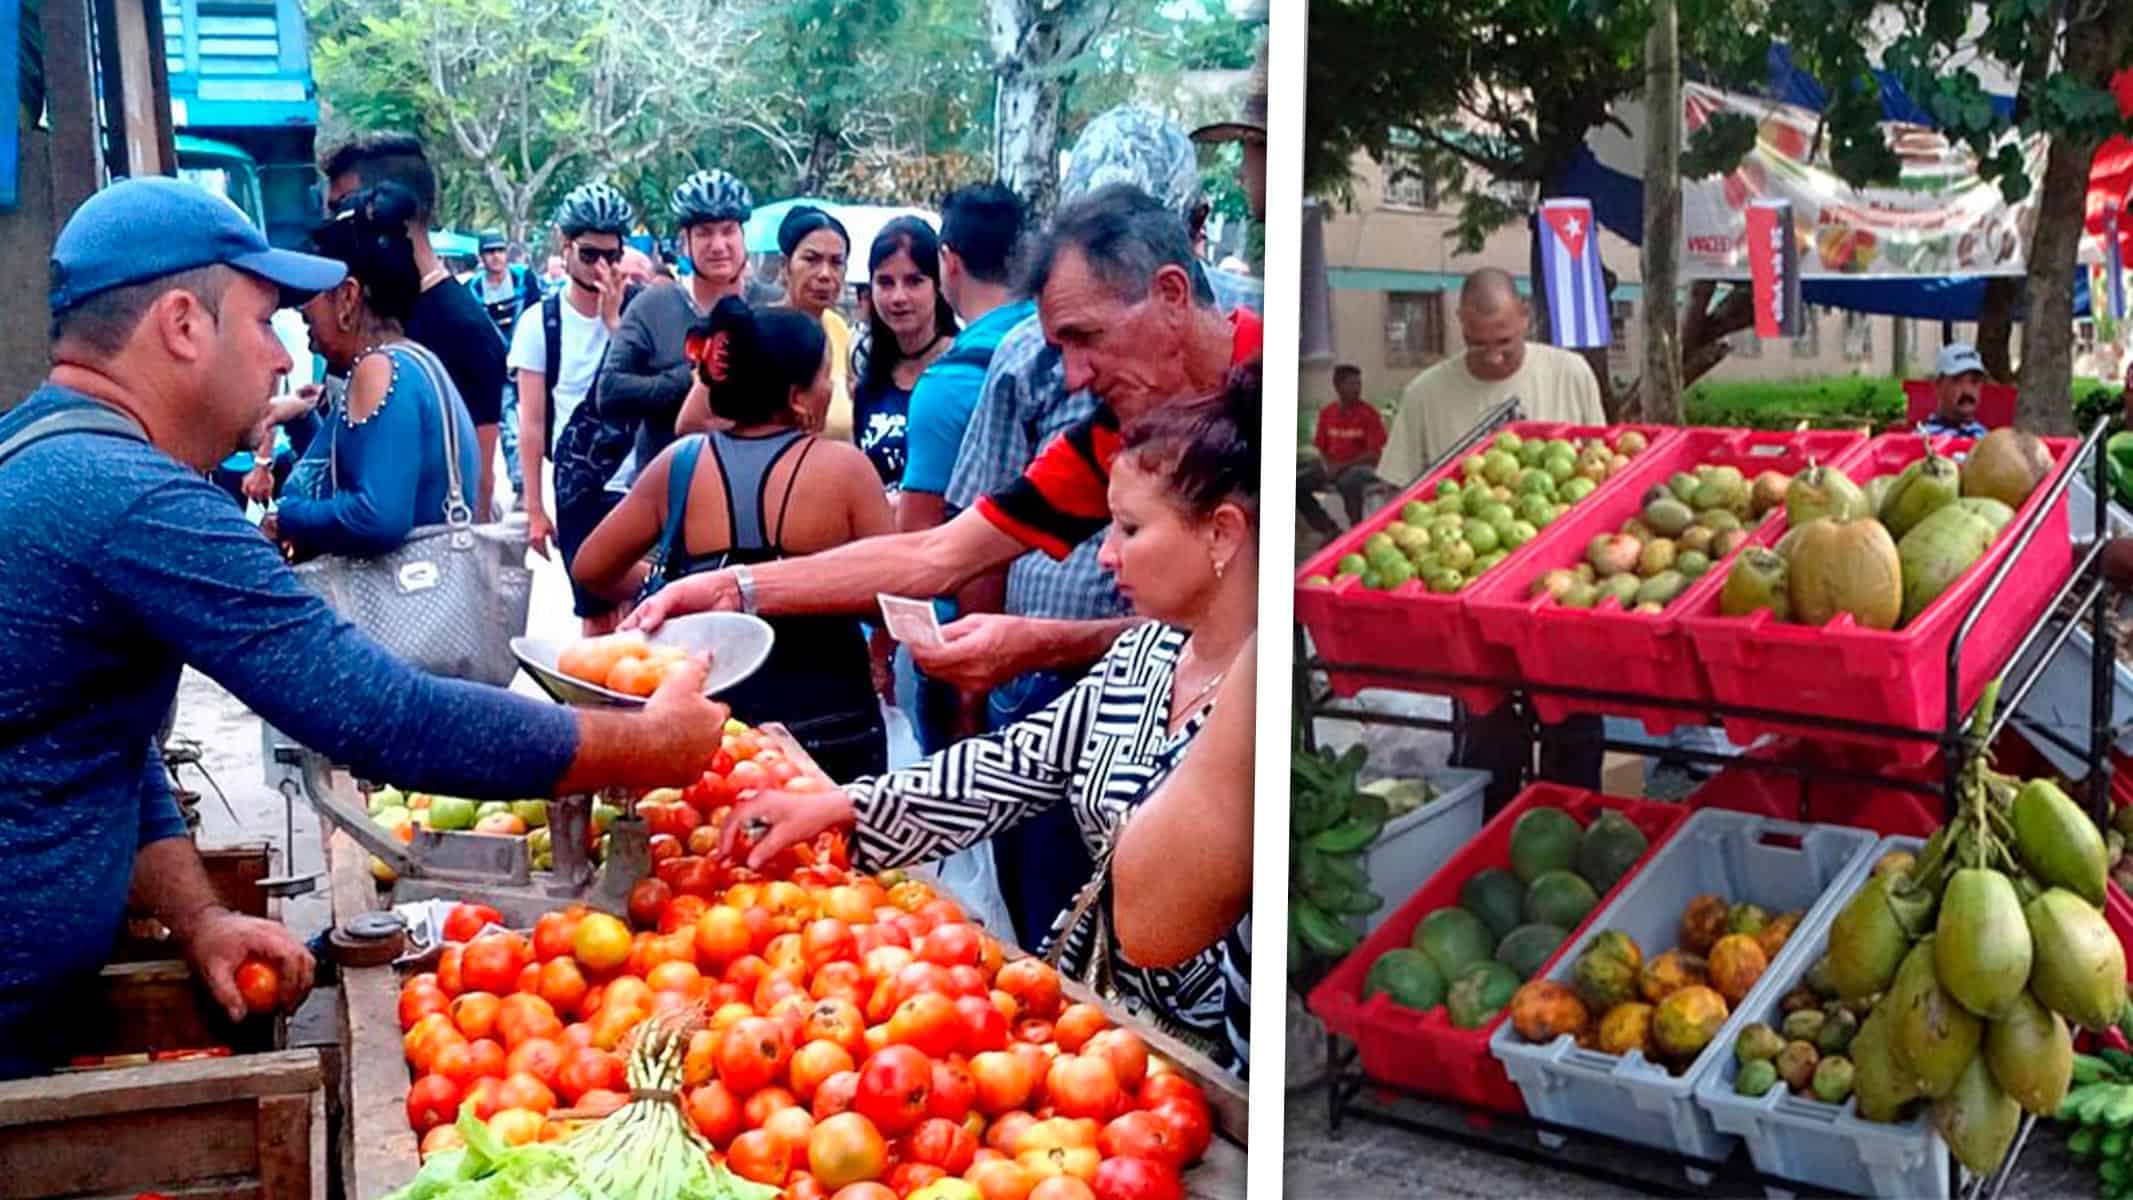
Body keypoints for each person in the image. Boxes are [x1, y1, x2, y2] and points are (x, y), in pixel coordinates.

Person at [0, 177, 732, 1078]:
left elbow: (108, 746)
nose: (280, 358)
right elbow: (378, 713)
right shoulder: (128, 497)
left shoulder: (51, 450)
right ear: (184, 326)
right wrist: (641, 744)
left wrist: (199, 917)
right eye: (265, 320)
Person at [629, 184, 1263, 946]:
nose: (1072, 376)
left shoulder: (1276, 401)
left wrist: (1050, 641)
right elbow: (941, 553)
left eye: (1084, 338)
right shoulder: (1125, 443)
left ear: (1168, 293)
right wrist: (736, 584)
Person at [722, 367, 1259, 1077]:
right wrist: (840, 806)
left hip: (1218, 1073)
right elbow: (1012, 766)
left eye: (1129, 529)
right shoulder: (1148, 652)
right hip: (1110, 1047)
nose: (1105, 554)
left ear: (1221, 533)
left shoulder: (1256, 703)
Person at [575, 299, 891, 780]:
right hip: (830, 722)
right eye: (826, 374)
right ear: (798, 397)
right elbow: (890, 597)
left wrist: (674, 587)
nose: (834, 387)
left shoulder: (679, 464)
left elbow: (592, 568)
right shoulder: (846, 471)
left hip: (708, 727)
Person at [266, 185, 483, 562]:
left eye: (311, 294)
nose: (301, 311)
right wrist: (303, 419)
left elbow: (377, 516)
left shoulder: (379, 370)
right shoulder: (412, 363)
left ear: (347, 297)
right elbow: (346, 468)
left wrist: (285, 516)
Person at [899, 183, 1035, 750]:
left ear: (948, 262)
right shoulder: (1053, 345)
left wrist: (967, 698)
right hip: (1061, 638)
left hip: (967, 649)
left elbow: (923, 548)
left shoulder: (948, 383)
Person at [321, 133, 511, 521]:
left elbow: (477, 483)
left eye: (345, 209)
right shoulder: (372, 309)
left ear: (394, 209)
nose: (334, 228)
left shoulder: (463, 330)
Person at [512, 183, 637, 611]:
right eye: (589, 254)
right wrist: (534, 509)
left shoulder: (641, 312)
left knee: (649, 614)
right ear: (565, 249)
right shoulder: (539, 323)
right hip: (579, 486)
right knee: (597, 618)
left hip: (642, 484)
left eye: (612, 255)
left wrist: (617, 324)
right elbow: (530, 422)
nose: (601, 267)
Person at [1379, 268, 1606, 484]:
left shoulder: (1571, 373)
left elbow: (1605, 463)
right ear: (1461, 321)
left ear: (1525, 316)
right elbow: (1396, 485)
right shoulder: (1423, 394)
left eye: (1504, 341)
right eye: (1477, 343)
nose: (1493, 358)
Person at [600, 169, 753, 484]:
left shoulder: (771, 305)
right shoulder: (652, 306)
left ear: (742, 235)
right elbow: (611, 391)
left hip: (755, 488)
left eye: (728, 231)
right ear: (685, 243)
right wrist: (689, 375)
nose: (718, 245)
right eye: (704, 233)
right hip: (668, 492)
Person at [854, 215, 958, 496]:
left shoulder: (963, 368)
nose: (898, 297)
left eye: (914, 281)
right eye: (885, 282)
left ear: (938, 285)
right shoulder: (869, 381)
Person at [468, 230, 544, 510]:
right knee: (511, 428)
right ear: (481, 256)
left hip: (529, 363)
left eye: (500, 250)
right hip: (497, 369)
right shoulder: (474, 290)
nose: (496, 257)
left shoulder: (524, 279)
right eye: (490, 252)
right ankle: (522, 485)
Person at [1298, 364, 1387, 536]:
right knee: (1299, 482)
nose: (1356, 389)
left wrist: (1342, 466)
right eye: (1351, 384)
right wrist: (1328, 465)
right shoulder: (1327, 413)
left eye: (1358, 384)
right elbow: (1322, 447)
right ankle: (1329, 529)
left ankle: (1357, 531)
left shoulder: (1369, 414)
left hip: (1361, 467)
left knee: (1349, 482)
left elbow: (1373, 454)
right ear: (1337, 386)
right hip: (1334, 466)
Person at [1918, 343, 1991, 438]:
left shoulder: (1987, 440)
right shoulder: (1922, 440)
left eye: (1974, 381)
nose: (1967, 390)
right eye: (1957, 381)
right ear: (1938, 385)